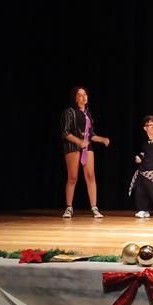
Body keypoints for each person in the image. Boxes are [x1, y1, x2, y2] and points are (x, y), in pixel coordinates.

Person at [60, 86, 110, 218]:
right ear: (75, 98)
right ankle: (69, 207)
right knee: (73, 177)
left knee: (90, 175)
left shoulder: (88, 113)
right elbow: (65, 133)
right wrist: (79, 141)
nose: (83, 97)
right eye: (80, 95)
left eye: (85, 94)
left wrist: (102, 139)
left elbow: (91, 134)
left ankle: (94, 207)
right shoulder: (69, 112)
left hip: (87, 148)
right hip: (73, 147)